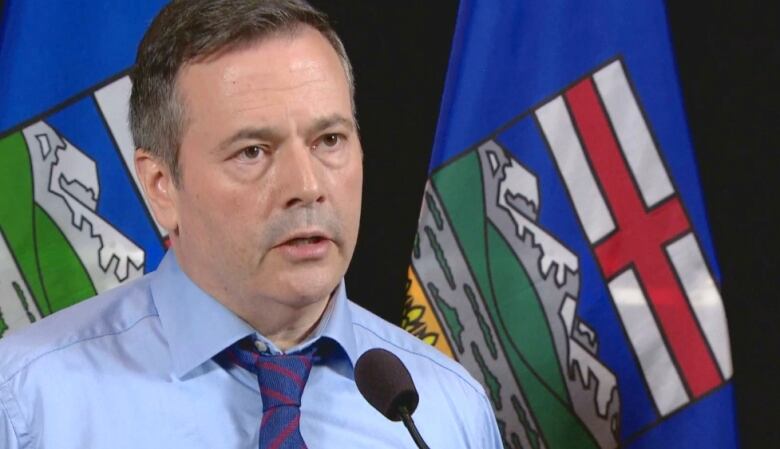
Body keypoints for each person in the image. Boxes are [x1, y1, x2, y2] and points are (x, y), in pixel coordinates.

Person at [0, 1, 502, 447]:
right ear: (160, 186)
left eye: (329, 140)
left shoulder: (445, 412)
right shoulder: (29, 402)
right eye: (253, 151)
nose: (307, 185)